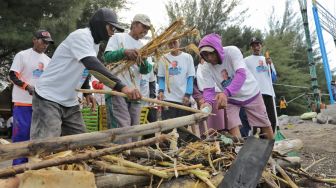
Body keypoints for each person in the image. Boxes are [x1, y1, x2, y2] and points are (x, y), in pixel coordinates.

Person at [30, 8, 141, 140]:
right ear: (100, 25)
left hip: (69, 102)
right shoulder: (81, 36)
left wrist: (87, 92)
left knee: (82, 143)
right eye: (111, 28)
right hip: (48, 98)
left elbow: (86, 68)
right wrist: (123, 87)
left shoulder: (94, 44)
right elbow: (93, 65)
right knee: (45, 146)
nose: (113, 32)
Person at [197, 33, 274, 140]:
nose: (209, 58)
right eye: (205, 55)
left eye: (211, 53)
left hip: (251, 93)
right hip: (232, 99)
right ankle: (238, 150)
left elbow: (241, 74)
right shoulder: (205, 66)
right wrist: (207, 103)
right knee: (233, 125)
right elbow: (209, 89)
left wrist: (225, 93)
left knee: (264, 123)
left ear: (218, 49)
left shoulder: (232, 51)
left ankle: (272, 147)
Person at [103, 14, 152, 143]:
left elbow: (146, 70)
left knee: (135, 130)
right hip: (116, 90)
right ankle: (121, 158)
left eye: (148, 28)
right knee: (122, 128)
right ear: (134, 24)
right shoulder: (118, 37)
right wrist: (124, 52)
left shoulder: (143, 45)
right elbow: (107, 57)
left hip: (134, 92)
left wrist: (142, 61)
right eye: (143, 26)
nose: (145, 31)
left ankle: (133, 157)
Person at [9, 30, 53, 165]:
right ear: (34, 39)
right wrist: (27, 87)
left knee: (38, 138)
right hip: (23, 104)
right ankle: (17, 170)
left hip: (41, 105)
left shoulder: (48, 60)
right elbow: (12, 75)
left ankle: (32, 168)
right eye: (43, 41)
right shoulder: (22, 55)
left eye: (48, 43)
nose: (45, 45)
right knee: (22, 137)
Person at [244, 37, 277, 132]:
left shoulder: (267, 60)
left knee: (271, 118)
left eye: (257, 45)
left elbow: (274, 78)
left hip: (268, 92)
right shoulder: (246, 60)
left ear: (261, 46)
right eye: (253, 45)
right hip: (254, 93)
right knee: (257, 118)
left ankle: (271, 139)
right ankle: (258, 139)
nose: (256, 47)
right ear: (251, 48)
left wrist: (270, 65)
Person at [157, 39, 195, 120]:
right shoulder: (163, 58)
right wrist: (161, 91)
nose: (172, 45)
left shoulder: (187, 57)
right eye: (170, 43)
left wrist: (188, 94)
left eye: (174, 42)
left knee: (183, 130)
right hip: (167, 99)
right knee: (167, 129)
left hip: (183, 99)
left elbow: (190, 78)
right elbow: (161, 78)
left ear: (179, 42)